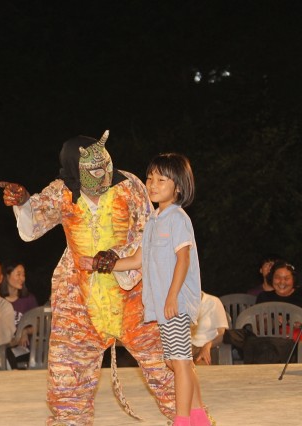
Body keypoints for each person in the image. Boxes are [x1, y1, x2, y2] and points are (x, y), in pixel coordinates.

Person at [0, 131, 175, 425]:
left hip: (134, 291)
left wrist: (119, 255)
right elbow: (31, 229)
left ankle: (187, 417)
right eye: (95, 169)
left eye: (107, 164)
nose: (105, 173)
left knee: (164, 364)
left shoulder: (129, 185)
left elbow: (150, 232)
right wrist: (24, 201)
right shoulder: (61, 192)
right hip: (79, 295)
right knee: (69, 371)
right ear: (75, 173)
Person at [103, 152, 211, 426]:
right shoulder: (153, 221)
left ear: (178, 187)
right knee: (177, 362)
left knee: (180, 362)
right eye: (150, 177)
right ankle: (198, 417)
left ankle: (183, 420)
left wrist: (173, 295)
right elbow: (138, 259)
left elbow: (183, 259)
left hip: (174, 302)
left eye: (161, 179)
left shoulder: (177, 218)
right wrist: (107, 265)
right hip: (162, 305)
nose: (152, 184)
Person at [0, 262, 39, 369]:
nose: (22, 278)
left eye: (23, 274)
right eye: (18, 274)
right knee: (1, 354)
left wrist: (25, 330)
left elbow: (39, 325)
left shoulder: (28, 299)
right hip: (3, 345)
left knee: (7, 356)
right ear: (7, 276)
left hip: (23, 348)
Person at [191, 292, 229, 365]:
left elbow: (221, 334)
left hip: (207, 347)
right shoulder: (181, 302)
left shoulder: (213, 301)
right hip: (185, 349)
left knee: (200, 368)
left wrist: (207, 345)